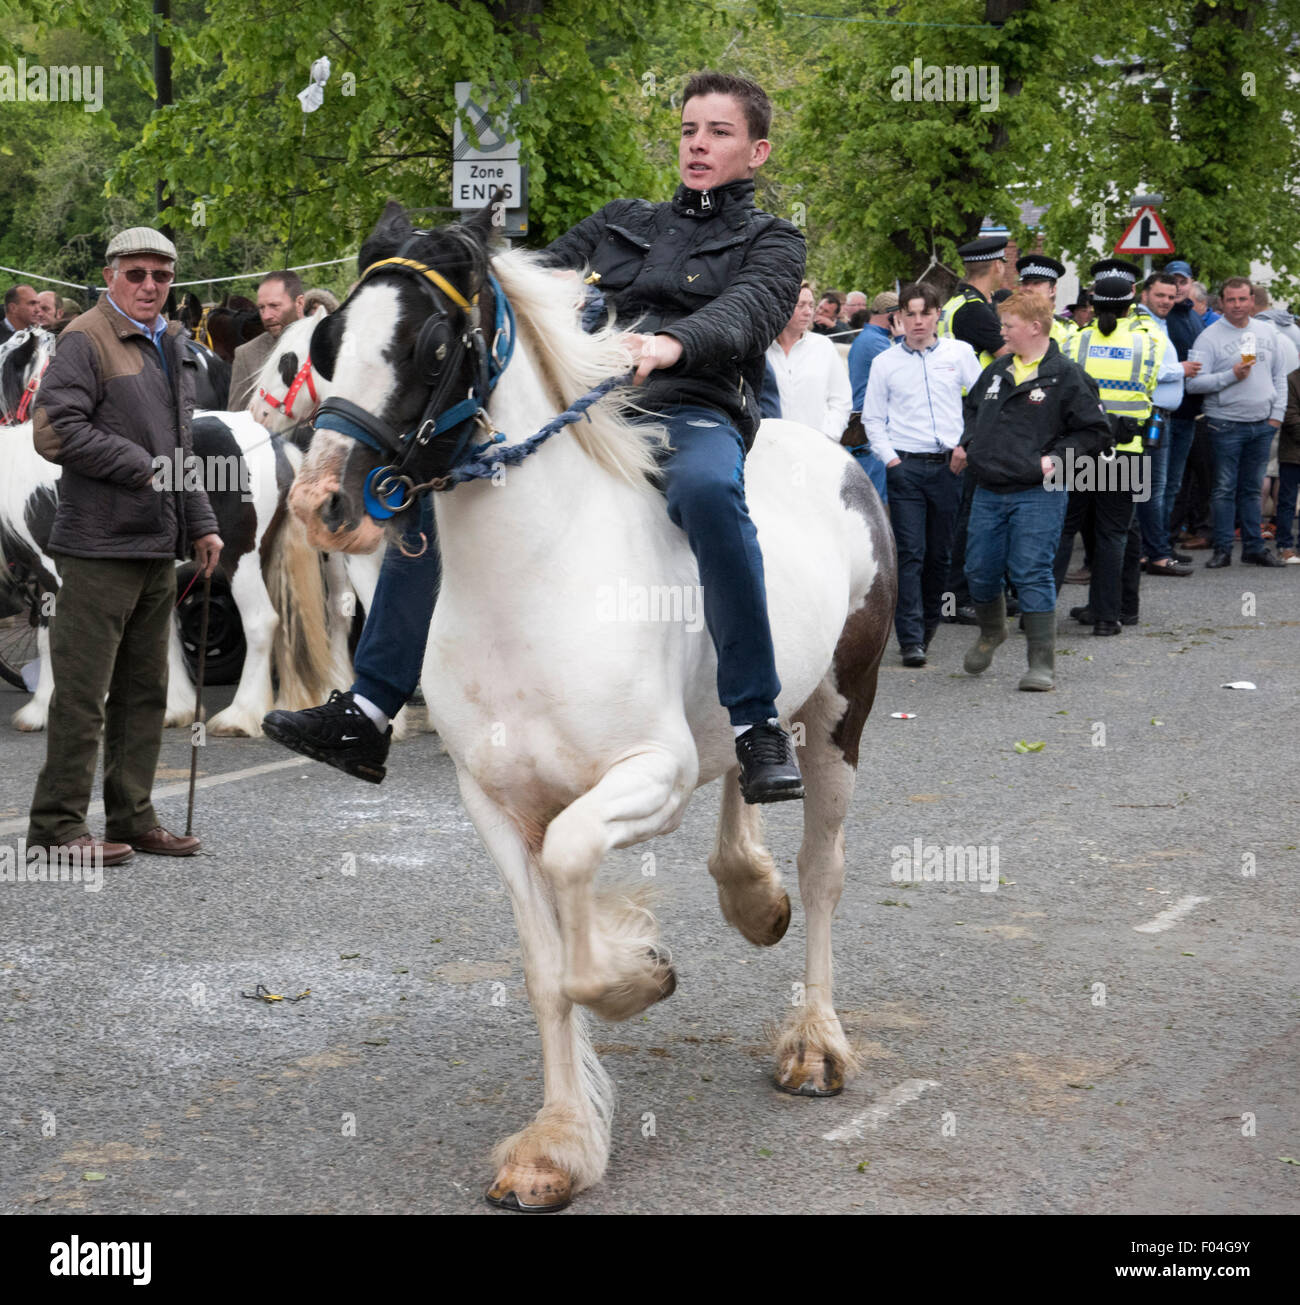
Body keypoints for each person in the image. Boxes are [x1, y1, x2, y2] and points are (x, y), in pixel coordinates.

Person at [265, 71, 809, 804]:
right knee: (433, 487)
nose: (698, 145)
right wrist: (436, 268)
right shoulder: (623, 220)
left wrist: (671, 344)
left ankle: (756, 720)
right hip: (585, 408)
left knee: (712, 492)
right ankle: (367, 709)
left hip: (691, 408)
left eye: (719, 132)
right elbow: (518, 279)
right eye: (688, 130)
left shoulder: (773, 240)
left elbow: (748, 310)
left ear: (758, 150)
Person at [26, 227, 223, 866]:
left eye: (161, 276)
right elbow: (54, 432)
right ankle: (56, 831)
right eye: (136, 273)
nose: (149, 286)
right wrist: (137, 465)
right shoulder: (84, 337)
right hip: (97, 546)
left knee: (145, 693)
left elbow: (182, 447)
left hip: (156, 547)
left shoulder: (172, 342)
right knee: (84, 696)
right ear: (111, 274)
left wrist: (201, 520)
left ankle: (133, 818)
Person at [952, 290, 1111, 690]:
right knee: (980, 572)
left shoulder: (1066, 375)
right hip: (988, 488)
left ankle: (1041, 663)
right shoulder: (996, 370)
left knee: (1032, 571)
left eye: (1009, 325)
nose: (1001, 332)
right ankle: (992, 632)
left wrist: (1057, 457)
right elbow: (973, 409)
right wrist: (967, 443)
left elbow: (1095, 431)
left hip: (1039, 491)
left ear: (1035, 327)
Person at [862, 281, 981, 666]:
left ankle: (928, 626)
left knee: (940, 554)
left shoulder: (959, 354)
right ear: (899, 316)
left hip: (949, 465)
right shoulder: (886, 363)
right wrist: (891, 461)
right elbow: (872, 419)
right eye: (909, 314)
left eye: (924, 313)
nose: (917, 321)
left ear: (936, 315)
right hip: (906, 467)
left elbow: (982, 403)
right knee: (910, 552)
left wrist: (967, 445)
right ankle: (910, 637)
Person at [1056, 267, 1165, 635]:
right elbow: (1151, 382)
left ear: (1092, 303)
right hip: (1126, 449)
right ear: (1131, 304)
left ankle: (1035, 614)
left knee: (1065, 530)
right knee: (1113, 534)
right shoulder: (1146, 342)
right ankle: (1107, 616)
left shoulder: (1076, 340)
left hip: (1081, 448)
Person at [1186, 277, 1287, 567]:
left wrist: (1276, 416)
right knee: (1224, 489)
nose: (1237, 305)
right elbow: (1194, 384)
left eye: (1243, 299)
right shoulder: (1209, 337)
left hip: (1262, 424)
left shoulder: (1267, 332)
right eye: (1231, 300)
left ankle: (1254, 548)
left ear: (1252, 301)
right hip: (1224, 424)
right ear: (1221, 302)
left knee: (1253, 489)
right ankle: (1223, 548)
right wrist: (1230, 375)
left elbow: (1279, 377)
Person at [940, 237, 1013, 624]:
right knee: (967, 515)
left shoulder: (959, 304)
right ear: (997, 266)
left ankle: (962, 594)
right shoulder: (976, 312)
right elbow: (1011, 359)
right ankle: (956, 597)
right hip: (974, 417)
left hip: (963, 414)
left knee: (965, 513)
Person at [1129, 272, 1192, 575]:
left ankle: (1147, 551)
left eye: (1171, 296)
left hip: (1162, 417)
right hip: (1149, 415)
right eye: (1160, 296)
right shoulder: (1141, 325)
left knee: (1157, 488)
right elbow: (1145, 367)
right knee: (1150, 490)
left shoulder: (1161, 323)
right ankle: (1156, 554)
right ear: (1145, 295)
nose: (1166, 301)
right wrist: (1180, 369)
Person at [765, 282, 852, 440]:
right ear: (781, 306)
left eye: (811, 305)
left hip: (815, 447)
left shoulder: (823, 347)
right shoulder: (762, 350)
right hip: (771, 447)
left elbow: (841, 400)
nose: (808, 312)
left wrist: (829, 435)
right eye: (801, 305)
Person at [844, 290, 898, 503]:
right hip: (869, 435)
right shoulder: (878, 343)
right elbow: (904, 377)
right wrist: (903, 338)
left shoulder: (868, 338)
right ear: (892, 315)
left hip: (864, 431)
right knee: (875, 504)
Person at [228, 271, 305, 410]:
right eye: (261, 308)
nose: (266, 316)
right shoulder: (246, 355)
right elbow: (236, 421)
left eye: (274, 306)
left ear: (299, 303)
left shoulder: (327, 343)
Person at [1015, 254, 1074, 347]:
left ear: (1052, 290)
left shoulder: (1069, 331)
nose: (1028, 288)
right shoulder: (1008, 326)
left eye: (1036, 283)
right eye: (1025, 283)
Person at [1278, 366, 1300, 563]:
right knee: (1287, 502)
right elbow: (1289, 416)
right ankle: (1285, 546)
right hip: (1293, 452)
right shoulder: (1291, 380)